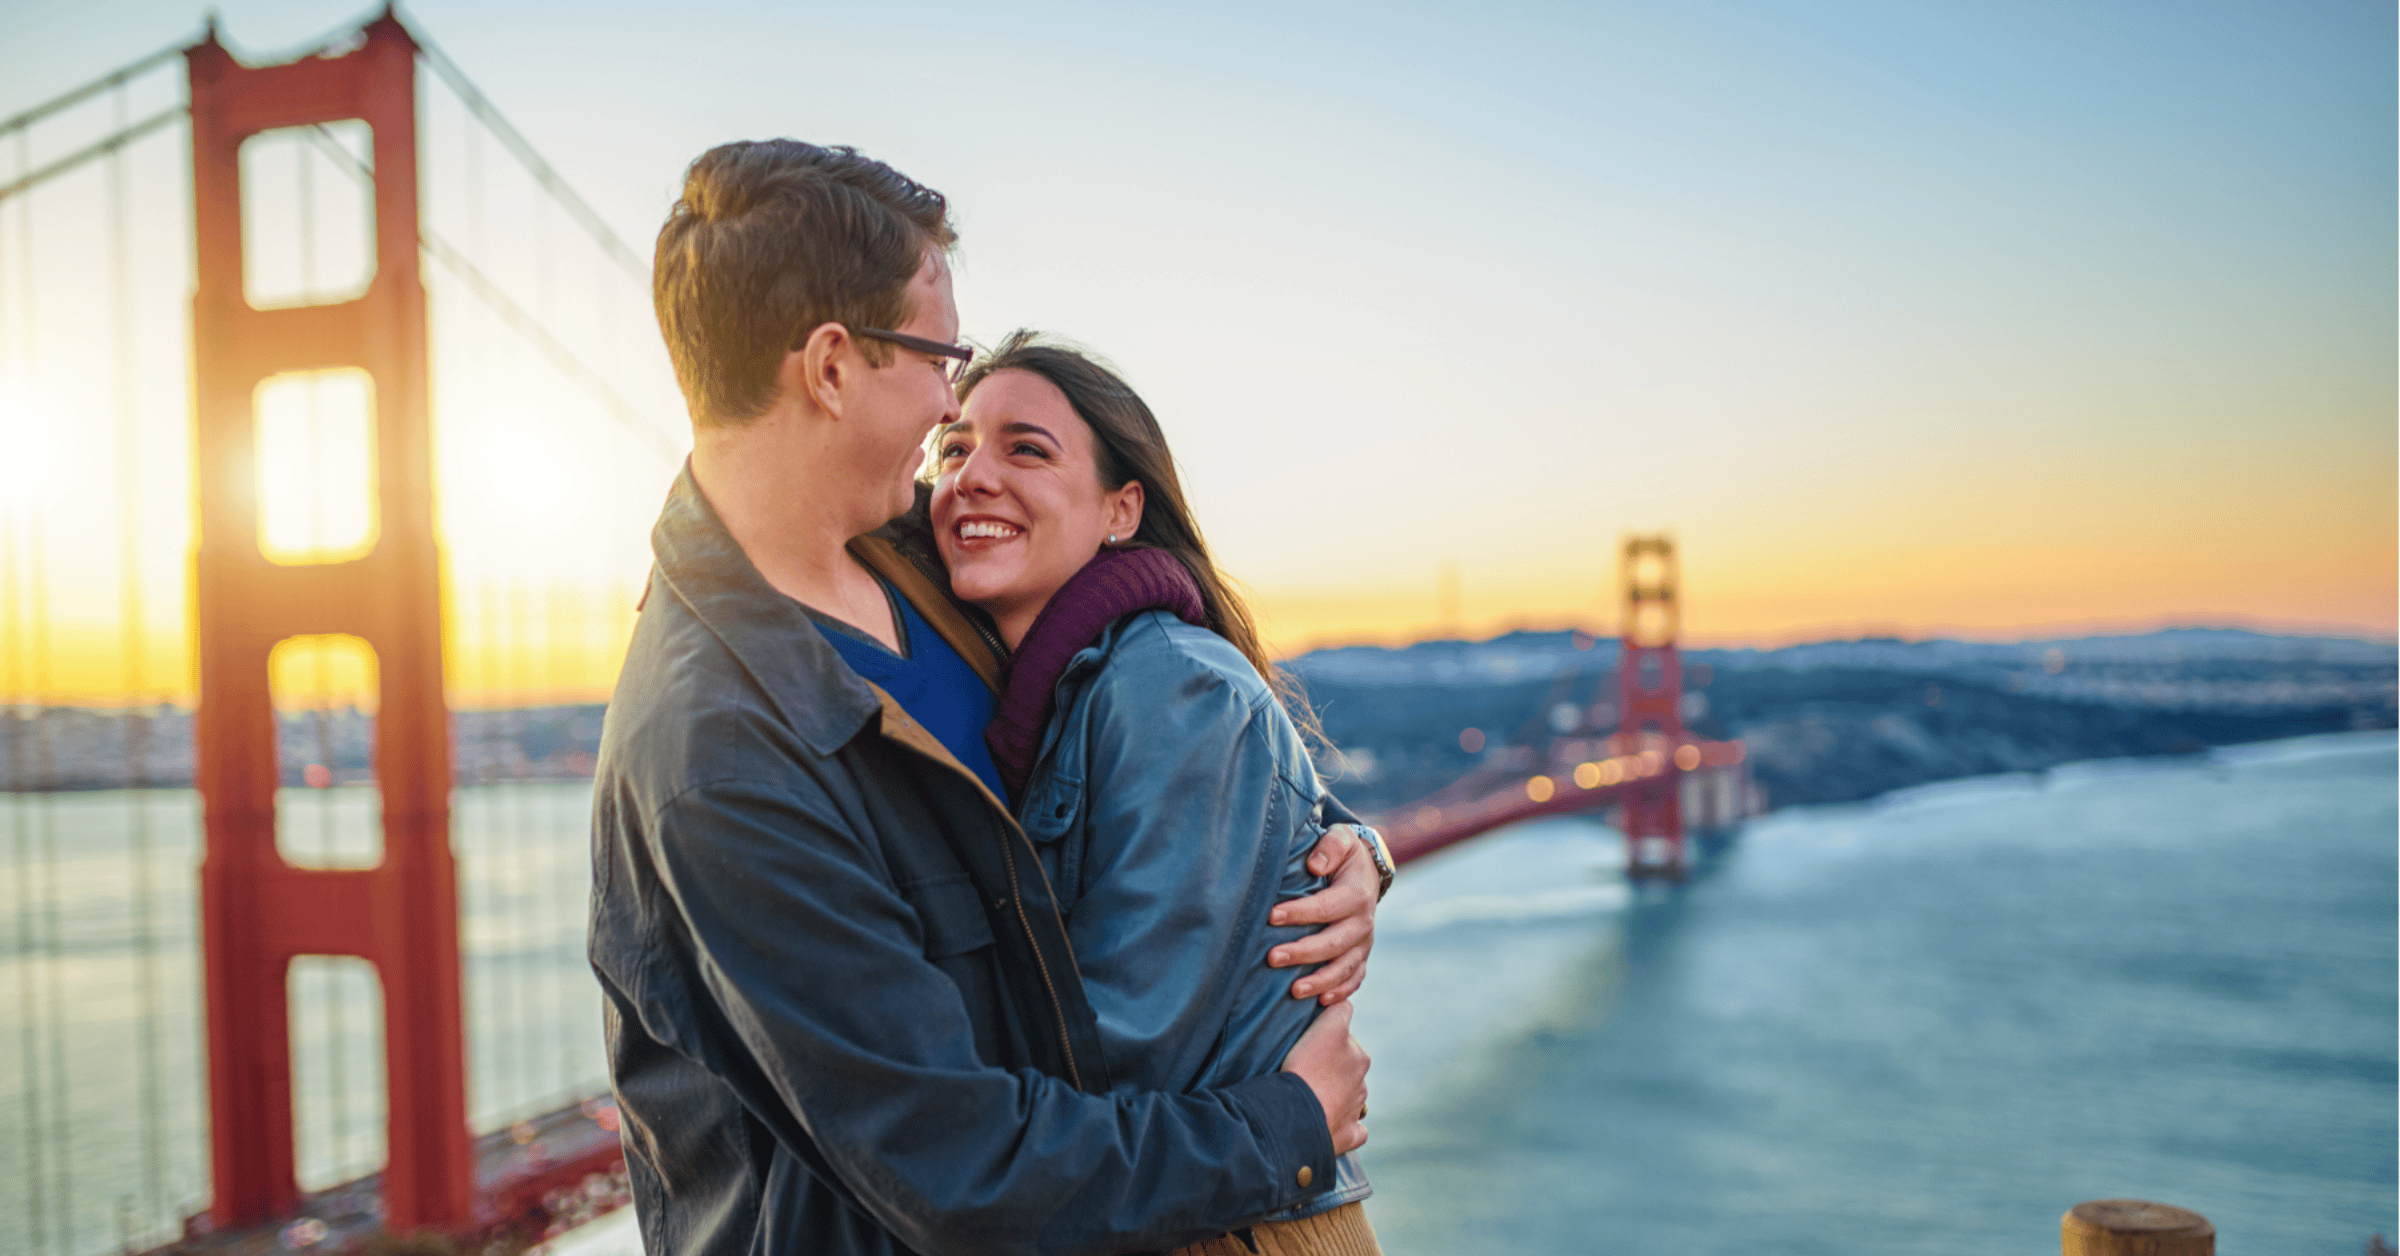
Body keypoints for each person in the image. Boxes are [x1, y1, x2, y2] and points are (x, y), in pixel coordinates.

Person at [589, 138, 1381, 1256]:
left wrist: (1341, 850)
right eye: (936, 357)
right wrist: (1285, 1128)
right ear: (829, 367)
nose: (949, 400)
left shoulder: (925, 565)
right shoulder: (720, 756)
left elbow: (1157, 728)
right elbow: (956, 1169)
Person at [927, 332, 1391, 1256]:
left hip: (1224, 1229)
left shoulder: (1166, 684)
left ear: (1121, 510)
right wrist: (1363, 848)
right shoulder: (1058, 694)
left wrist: (895, 1090)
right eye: (952, 448)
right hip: (1182, 1206)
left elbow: (1123, 1058)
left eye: (1027, 448)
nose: (972, 475)